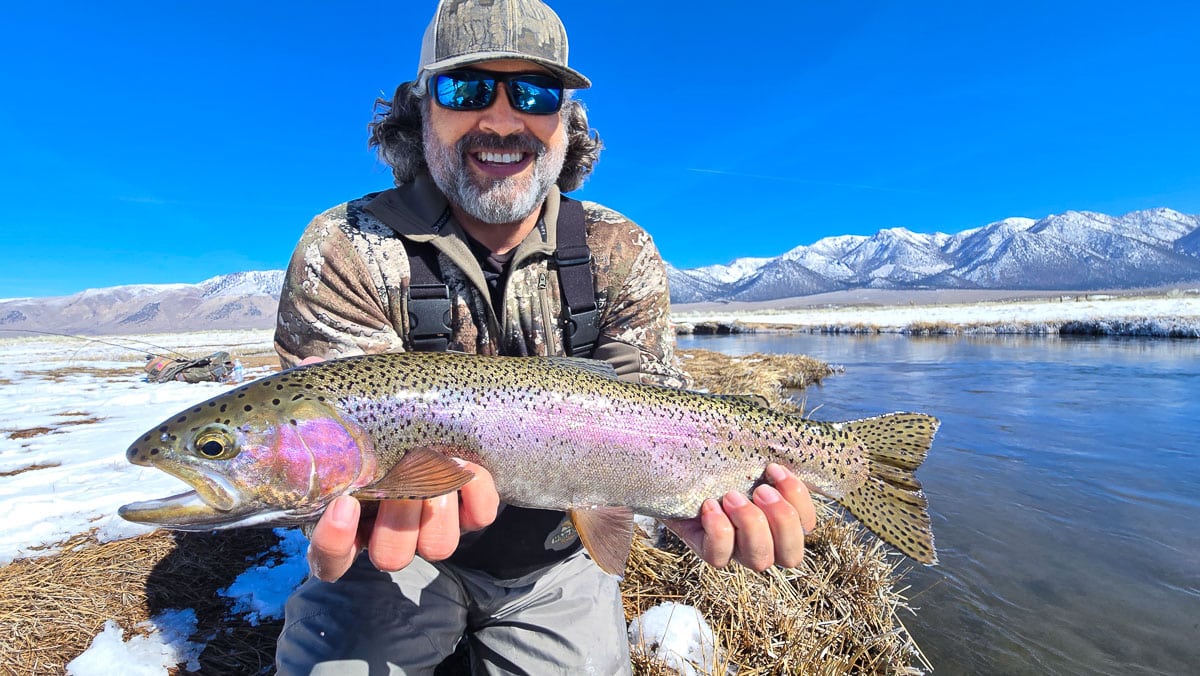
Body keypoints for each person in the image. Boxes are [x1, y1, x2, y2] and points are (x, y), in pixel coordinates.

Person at [273, 1, 817, 673]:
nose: (503, 118)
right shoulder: (347, 246)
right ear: (420, 111)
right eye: (466, 88)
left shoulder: (619, 249)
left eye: (535, 91)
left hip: (557, 563)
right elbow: (318, 443)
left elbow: (650, 404)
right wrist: (336, 515)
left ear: (565, 119)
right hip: (388, 554)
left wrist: (682, 497)